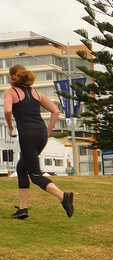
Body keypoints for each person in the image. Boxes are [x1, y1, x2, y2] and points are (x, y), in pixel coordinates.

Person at [3, 64, 73, 219]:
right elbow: (55, 111)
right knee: (21, 168)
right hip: (41, 133)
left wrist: (9, 127)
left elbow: (7, 110)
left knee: (35, 175)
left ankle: (64, 197)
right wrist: (48, 130)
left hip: (28, 134)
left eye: (9, 76)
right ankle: (23, 208)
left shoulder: (11, 92)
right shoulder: (36, 93)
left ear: (14, 76)